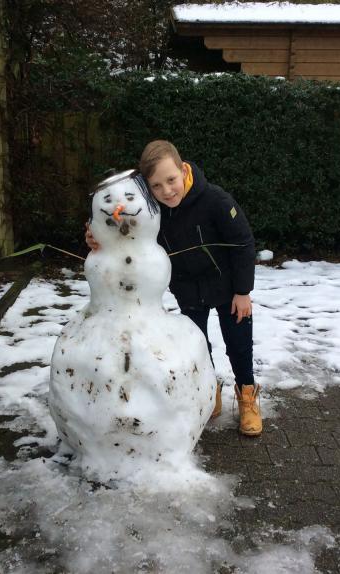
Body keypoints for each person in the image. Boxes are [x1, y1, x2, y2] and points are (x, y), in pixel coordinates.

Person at [86, 140, 261, 436]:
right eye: (156, 186)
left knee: (238, 344)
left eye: (171, 180)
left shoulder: (216, 200)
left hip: (229, 289)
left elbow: (243, 243)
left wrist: (243, 292)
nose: (167, 191)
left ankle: (247, 395)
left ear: (184, 171)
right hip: (189, 289)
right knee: (198, 345)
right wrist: (95, 234)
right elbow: (118, 218)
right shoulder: (152, 208)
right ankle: (210, 391)